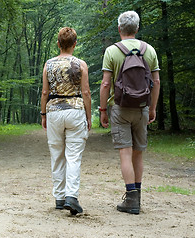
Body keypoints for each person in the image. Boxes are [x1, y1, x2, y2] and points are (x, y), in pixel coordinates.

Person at [100, 11, 161, 214]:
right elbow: (156, 82)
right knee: (138, 154)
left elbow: (106, 83)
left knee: (125, 154)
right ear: (137, 29)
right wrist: (152, 107)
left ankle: (131, 199)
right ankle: (138, 198)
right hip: (142, 107)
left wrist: (102, 110)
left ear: (119, 29)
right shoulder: (149, 50)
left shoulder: (112, 51)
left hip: (120, 108)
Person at [41, 27, 92, 215]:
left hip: (54, 110)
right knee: (73, 156)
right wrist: (88, 115)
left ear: (58, 44)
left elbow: (45, 92)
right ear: (75, 44)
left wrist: (43, 114)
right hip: (75, 110)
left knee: (56, 154)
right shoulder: (81, 64)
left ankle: (59, 198)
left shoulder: (49, 64)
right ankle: (72, 196)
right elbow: (86, 92)